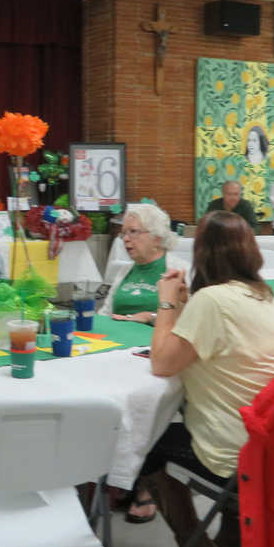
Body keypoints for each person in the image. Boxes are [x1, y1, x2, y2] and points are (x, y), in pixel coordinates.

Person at [140, 211, 274, 547]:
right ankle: (232, 531)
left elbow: (163, 364)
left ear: (202, 254)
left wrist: (167, 303)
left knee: (147, 439)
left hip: (239, 455)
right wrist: (183, 306)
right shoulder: (263, 296)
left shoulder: (211, 300)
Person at [98, 203, 190, 524]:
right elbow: (105, 314)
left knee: (138, 400)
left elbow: (188, 320)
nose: (125, 239)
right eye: (123, 233)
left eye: (133, 232)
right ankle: (112, 474)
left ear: (157, 237)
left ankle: (140, 482)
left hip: (155, 357)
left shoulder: (177, 268)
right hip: (115, 354)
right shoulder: (123, 271)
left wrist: (149, 318)